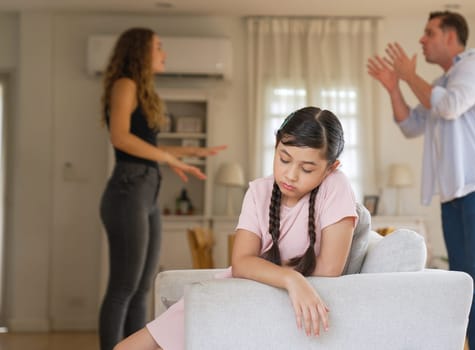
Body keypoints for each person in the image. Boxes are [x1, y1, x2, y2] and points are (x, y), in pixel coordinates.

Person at [113, 106, 358, 350]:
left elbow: (329, 269)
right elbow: (241, 262)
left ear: (330, 168)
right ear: (275, 146)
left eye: (306, 169)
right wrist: (291, 279)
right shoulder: (258, 191)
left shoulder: (335, 186)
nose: (290, 175)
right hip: (235, 292)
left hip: (261, 302)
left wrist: (277, 276)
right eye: (284, 159)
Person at [367, 11, 475, 350]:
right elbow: (411, 126)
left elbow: (449, 107)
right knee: (467, 280)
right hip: (454, 194)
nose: (422, 40)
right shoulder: (439, 84)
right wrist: (395, 87)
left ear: (451, 37)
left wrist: (409, 75)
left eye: (429, 33)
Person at [99, 27, 227, 350]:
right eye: (158, 47)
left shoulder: (141, 90)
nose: (164, 53)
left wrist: (186, 154)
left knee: (143, 286)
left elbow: (144, 145)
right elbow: (120, 138)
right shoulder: (125, 84)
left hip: (146, 189)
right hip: (129, 189)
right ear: (140, 51)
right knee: (123, 287)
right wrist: (171, 158)